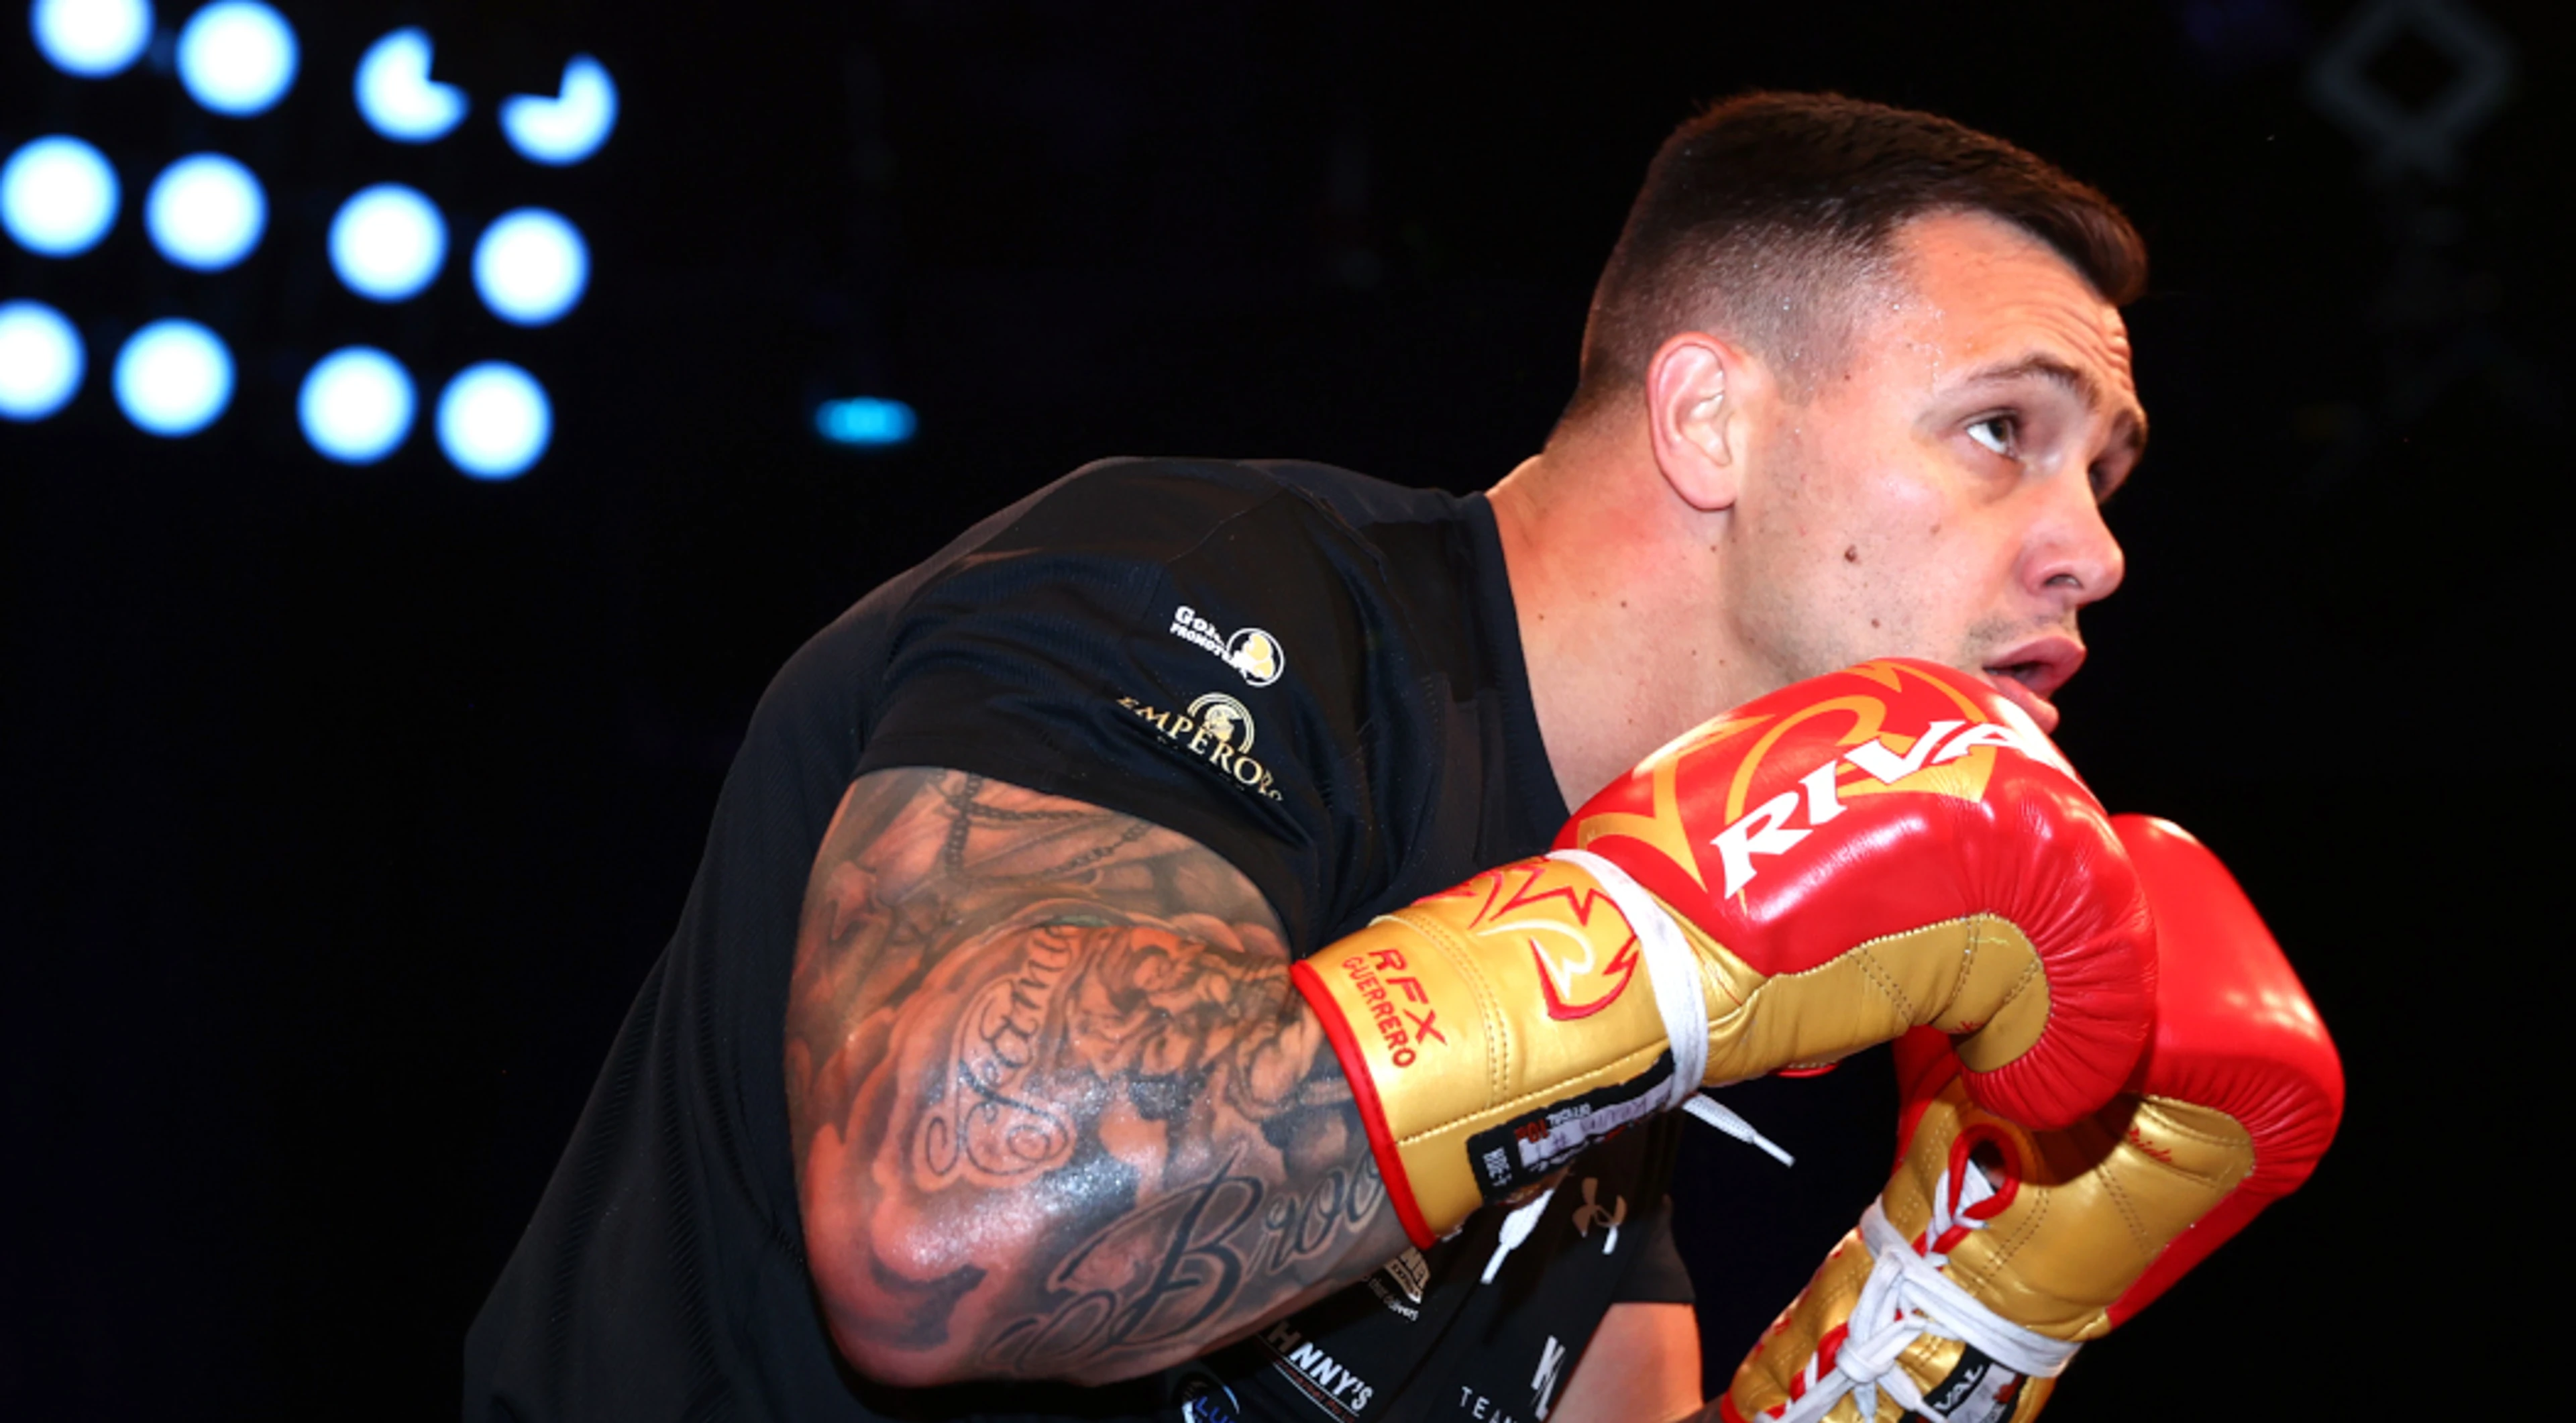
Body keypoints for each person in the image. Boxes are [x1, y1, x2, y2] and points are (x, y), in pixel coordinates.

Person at [465, 91, 2171, 1421]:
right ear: (1711, 418)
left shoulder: (1630, 934)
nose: (2087, 549)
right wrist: (1655, 959)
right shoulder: (1198, 585)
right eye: (1999, 430)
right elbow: (951, 1232)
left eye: (2104, 473)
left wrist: (1955, 1319)